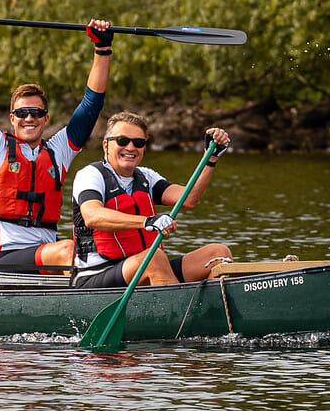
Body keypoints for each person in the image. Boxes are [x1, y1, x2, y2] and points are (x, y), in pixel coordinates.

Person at [0, 8, 112, 270]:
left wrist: (102, 49)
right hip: (1, 257)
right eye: (22, 113)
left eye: (36, 113)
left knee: (94, 247)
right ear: (12, 117)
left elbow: (91, 105)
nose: (29, 118)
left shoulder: (58, 151)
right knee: (69, 249)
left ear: (46, 119)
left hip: (46, 255)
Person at [70, 114, 234, 288]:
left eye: (138, 143)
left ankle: (215, 312)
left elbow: (189, 198)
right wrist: (148, 222)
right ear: (106, 145)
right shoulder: (90, 175)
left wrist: (210, 159)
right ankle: (177, 312)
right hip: (96, 275)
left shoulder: (146, 177)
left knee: (218, 254)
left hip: (143, 267)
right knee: (155, 258)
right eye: (122, 141)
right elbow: (93, 216)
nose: (131, 147)